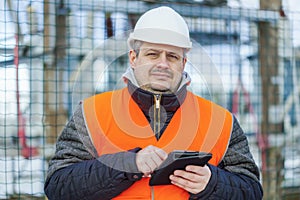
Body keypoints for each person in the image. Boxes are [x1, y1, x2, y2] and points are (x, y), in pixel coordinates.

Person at [44, 6, 263, 200]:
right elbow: (58, 186)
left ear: (183, 63)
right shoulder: (91, 114)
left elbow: (251, 190)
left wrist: (212, 183)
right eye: (152, 54)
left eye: (172, 56)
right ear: (133, 57)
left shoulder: (221, 121)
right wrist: (129, 164)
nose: (163, 64)